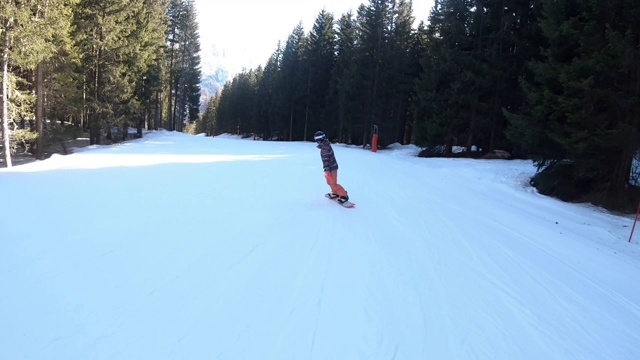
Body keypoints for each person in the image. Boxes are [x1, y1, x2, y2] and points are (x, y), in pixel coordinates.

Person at [314, 131, 349, 204]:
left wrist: (327, 170)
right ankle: (335, 192)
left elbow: (326, 160)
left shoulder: (325, 148)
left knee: (333, 183)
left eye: (317, 141)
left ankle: (344, 195)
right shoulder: (325, 145)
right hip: (328, 168)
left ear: (320, 140)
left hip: (331, 168)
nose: (317, 143)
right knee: (329, 182)